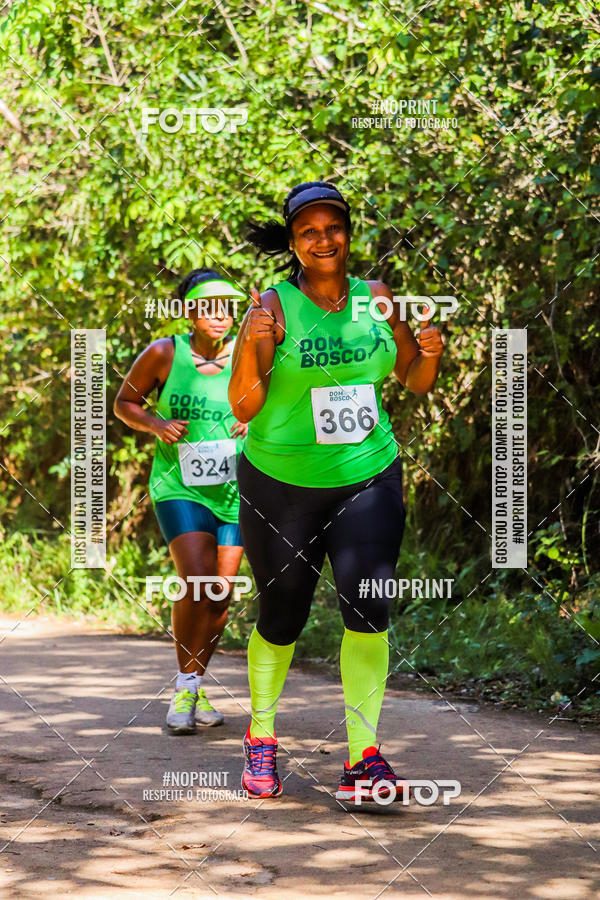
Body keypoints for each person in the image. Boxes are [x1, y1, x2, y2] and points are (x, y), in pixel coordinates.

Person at [228, 182, 444, 800]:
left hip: (368, 474)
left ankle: (363, 757)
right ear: (293, 243)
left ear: (349, 232)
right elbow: (244, 402)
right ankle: (262, 737)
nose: (323, 240)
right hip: (282, 482)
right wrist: (251, 341)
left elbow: (413, 378)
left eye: (333, 228)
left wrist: (429, 351)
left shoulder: (377, 299)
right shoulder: (270, 307)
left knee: (368, 606)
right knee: (283, 615)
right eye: (308, 232)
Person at [114, 268, 247, 734]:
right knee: (196, 581)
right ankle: (186, 686)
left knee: (220, 594)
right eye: (208, 306)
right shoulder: (165, 353)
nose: (220, 315)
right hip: (180, 485)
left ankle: (194, 681)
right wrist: (155, 424)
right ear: (189, 311)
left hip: (236, 489)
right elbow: (124, 402)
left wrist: (254, 422)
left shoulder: (249, 354)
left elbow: (276, 401)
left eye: (227, 306)